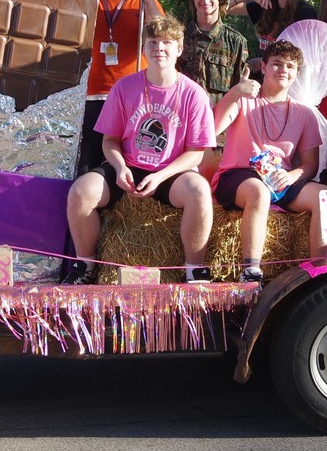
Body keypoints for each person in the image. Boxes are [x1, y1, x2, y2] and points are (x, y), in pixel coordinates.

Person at [62, 16, 216, 285]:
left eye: (167, 43)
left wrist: (160, 176)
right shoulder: (124, 87)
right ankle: (85, 266)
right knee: (80, 191)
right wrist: (120, 168)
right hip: (128, 165)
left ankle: (194, 270)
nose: (159, 48)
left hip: (170, 171)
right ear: (144, 48)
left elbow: (196, 152)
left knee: (200, 191)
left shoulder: (194, 94)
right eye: (153, 42)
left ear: (179, 48)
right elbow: (109, 140)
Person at [44, 0, 165, 171]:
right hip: (89, 100)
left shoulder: (145, 3)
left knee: (127, 169)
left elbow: (162, 37)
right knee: (86, 169)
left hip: (131, 100)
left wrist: (148, 2)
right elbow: (43, 8)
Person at [211, 40, 327, 281]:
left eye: (289, 66)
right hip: (239, 175)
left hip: (280, 179)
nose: (283, 70)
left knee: (324, 198)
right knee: (259, 193)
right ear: (263, 67)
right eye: (276, 64)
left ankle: (321, 271)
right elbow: (212, 129)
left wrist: (292, 175)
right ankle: (251, 270)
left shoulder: (305, 114)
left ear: (296, 73)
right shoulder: (244, 99)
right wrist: (234, 93)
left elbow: (310, 165)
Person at [177, 0, 249, 106]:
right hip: (181, 118)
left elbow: (239, 93)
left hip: (217, 122)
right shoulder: (178, 36)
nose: (205, 0)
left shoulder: (236, 42)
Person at [228, 0, 317, 72]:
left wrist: (263, 61)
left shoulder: (305, 12)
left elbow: (306, 57)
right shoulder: (264, 5)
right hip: (263, 80)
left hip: (287, 81)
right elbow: (222, 7)